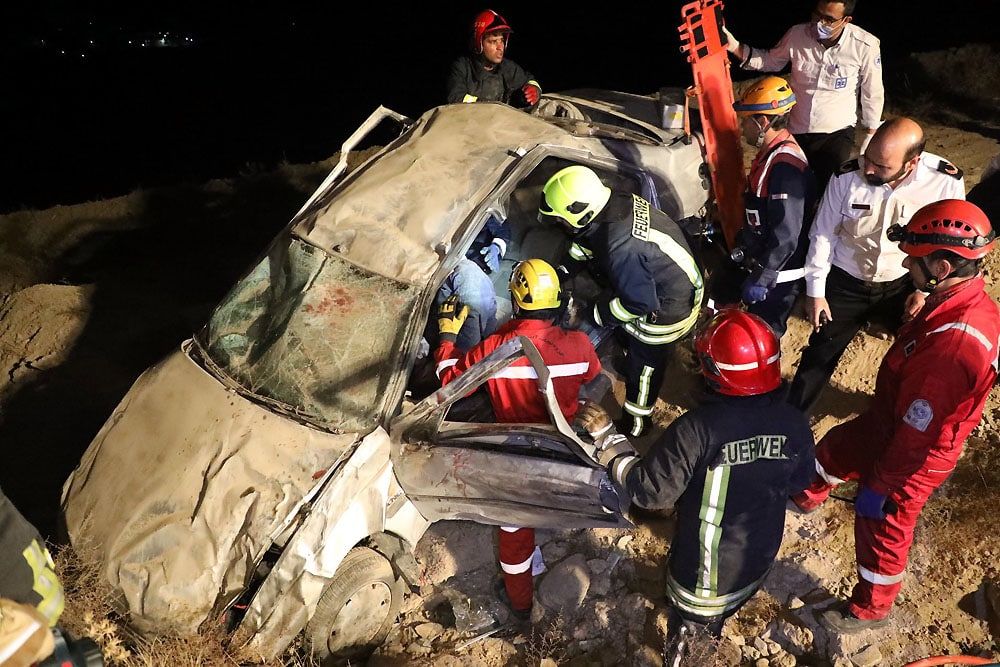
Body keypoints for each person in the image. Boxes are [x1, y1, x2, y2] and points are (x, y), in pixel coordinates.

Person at [790, 200, 999, 632]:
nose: (906, 263)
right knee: (833, 450)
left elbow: (917, 435)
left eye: (915, 259)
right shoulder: (963, 304)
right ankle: (804, 495)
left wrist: (882, 486)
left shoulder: (952, 349)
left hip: (914, 452)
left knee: (883, 524)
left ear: (942, 266)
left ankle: (869, 608)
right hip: (892, 419)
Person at [574, 310, 815, 660]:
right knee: (718, 615)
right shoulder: (793, 422)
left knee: (690, 637)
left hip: (703, 578)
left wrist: (608, 440)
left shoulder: (697, 430)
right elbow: (801, 481)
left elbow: (649, 491)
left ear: (715, 375)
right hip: (757, 560)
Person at [434, 258, 601, 619]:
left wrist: (447, 338)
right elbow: (592, 373)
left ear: (516, 299)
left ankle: (521, 603)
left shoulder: (495, 348)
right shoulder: (580, 344)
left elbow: (450, 385)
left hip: (515, 455)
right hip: (563, 446)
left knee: (513, 531)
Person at [787, 117, 966, 412]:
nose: (868, 169)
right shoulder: (846, 177)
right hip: (846, 281)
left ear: (912, 162)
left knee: (914, 356)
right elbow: (822, 235)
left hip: (903, 283)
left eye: (881, 167)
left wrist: (924, 292)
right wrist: (816, 292)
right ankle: (792, 423)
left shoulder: (945, 182)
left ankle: (899, 415)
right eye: (868, 158)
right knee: (819, 357)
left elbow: (944, 245)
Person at [539, 165, 703, 437]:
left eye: (561, 220)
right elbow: (588, 240)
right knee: (628, 336)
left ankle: (637, 423)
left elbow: (639, 303)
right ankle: (631, 362)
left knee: (645, 369)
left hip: (667, 310)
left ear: (581, 213)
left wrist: (592, 314)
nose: (560, 225)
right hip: (669, 281)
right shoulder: (613, 203)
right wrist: (565, 270)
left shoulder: (621, 248)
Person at [724, 0, 883, 190]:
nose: (819, 23)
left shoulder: (864, 45)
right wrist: (734, 47)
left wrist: (870, 134)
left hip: (835, 134)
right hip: (797, 130)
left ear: (846, 20)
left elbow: (872, 91)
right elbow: (771, 61)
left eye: (829, 19)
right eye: (817, 15)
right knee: (790, 188)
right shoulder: (797, 35)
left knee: (827, 191)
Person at [730, 75, 817, 338]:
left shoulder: (785, 167)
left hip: (779, 274)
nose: (743, 127)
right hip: (764, 259)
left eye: (746, 120)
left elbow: (786, 235)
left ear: (763, 122)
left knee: (763, 336)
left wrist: (763, 277)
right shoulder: (770, 155)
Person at [446, 9, 542, 107]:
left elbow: (529, 80)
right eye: (493, 41)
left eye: (502, 41)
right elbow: (456, 98)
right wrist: (491, 106)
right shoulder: (462, 68)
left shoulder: (508, 67)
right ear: (478, 43)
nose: (500, 47)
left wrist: (534, 89)